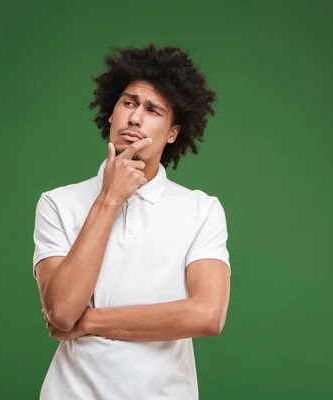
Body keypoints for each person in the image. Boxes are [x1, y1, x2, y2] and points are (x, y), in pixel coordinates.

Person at [32, 44, 231, 400]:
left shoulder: (201, 209)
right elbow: (62, 312)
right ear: (111, 114)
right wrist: (110, 199)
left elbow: (207, 314)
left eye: (153, 110)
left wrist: (91, 321)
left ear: (173, 132)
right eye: (128, 103)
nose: (135, 118)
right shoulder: (57, 203)